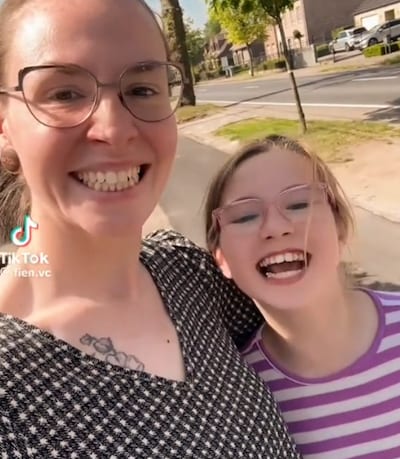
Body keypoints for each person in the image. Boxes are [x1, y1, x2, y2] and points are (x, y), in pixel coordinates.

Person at [0, 0, 302, 457]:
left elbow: (325, 345)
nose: (114, 128)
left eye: (142, 88)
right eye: (64, 94)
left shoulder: (189, 275)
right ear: (4, 125)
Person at [204, 134, 400, 458]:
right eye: (245, 215)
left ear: (340, 229)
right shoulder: (236, 398)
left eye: (298, 204)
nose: (275, 227)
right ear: (221, 258)